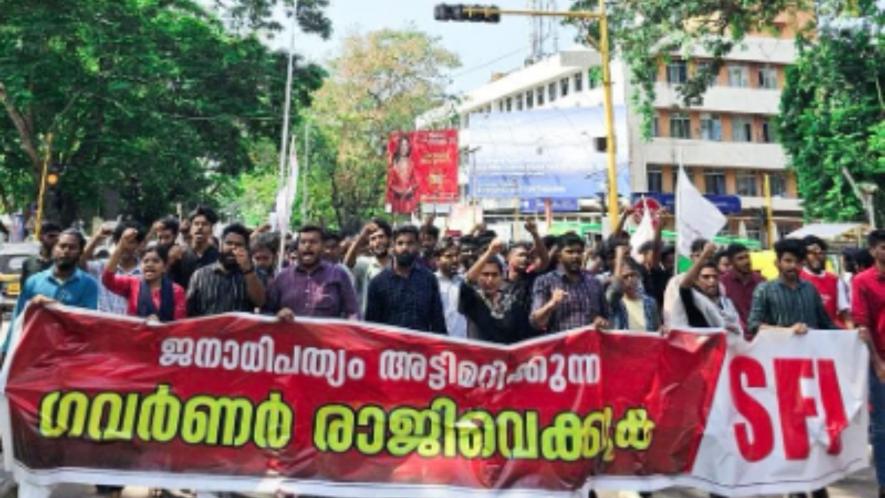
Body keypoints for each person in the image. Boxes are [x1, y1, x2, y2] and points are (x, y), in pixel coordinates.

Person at [747, 238, 834, 498]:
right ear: (777, 262)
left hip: (812, 372)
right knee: (789, 431)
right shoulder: (765, 290)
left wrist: (853, 338)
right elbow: (754, 326)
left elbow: (826, 324)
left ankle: (817, 483)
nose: (792, 266)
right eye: (787, 261)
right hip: (780, 373)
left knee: (816, 427)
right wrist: (786, 332)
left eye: (796, 261)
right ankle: (795, 487)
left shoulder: (810, 290)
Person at [9, 229, 98, 349]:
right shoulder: (33, 282)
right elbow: (18, 318)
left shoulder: (89, 284)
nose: (66, 251)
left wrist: (56, 307)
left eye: (72, 248)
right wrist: (5, 350)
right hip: (35, 352)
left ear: (80, 252)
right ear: (54, 249)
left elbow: (88, 323)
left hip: (71, 354)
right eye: (62, 246)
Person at [852, 230, 885, 498]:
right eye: (884, 247)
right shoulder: (862, 282)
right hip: (880, 363)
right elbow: (862, 324)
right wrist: (877, 363)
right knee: (882, 427)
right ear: (873, 250)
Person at [365, 225, 446, 334]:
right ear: (393, 247)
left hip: (420, 348)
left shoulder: (429, 279)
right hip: (389, 348)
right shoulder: (378, 283)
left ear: (418, 246)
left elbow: (438, 322)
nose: (405, 248)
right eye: (400, 243)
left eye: (410, 243)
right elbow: (371, 326)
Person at [267, 225, 359, 321]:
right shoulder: (282, 277)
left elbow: (353, 312)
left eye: (313, 242)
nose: (307, 246)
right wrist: (279, 315)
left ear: (323, 246)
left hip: (327, 335)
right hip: (290, 335)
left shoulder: (338, 274)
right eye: (303, 242)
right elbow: (267, 314)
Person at [531, 232, 608, 334]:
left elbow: (607, 317)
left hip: (590, 347)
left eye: (579, 252)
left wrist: (602, 322)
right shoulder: (545, 281)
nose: (575, 256)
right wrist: (551, 304)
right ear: (559, 256)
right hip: (560, 348)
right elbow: (536, 322)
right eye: (570, 252)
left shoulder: (594, 282)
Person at [101, 229, 186, 321]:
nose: (149, 265)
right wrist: (121, 245)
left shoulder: (176, 291)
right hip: (135, 334)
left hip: (166, 335)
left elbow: (179, 325)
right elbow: (107, 280)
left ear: (165, 267)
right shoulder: (132, 284)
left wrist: (159, 324)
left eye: (155, 261)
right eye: (145, 261)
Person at [186, 223, 265, 316]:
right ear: (220, 245)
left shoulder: (255, 275)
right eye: (229, 243)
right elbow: (190, 311)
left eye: (239, 245)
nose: (233, 248)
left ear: (246, 249)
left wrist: (248, 271)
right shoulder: (200, 275)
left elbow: (260, 302)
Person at [459, 239, 522, 344]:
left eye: (494, 275)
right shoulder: (472, 299)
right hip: (477, 358)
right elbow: (467, 281)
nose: (490, 280)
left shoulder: (512, 302)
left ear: (502, 277)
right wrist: (490, 252)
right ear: (477, 277)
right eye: (485, 274)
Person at [674, 242, 742, 335]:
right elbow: (684, 286)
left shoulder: (725, 303)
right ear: (696, 281)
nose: (711, 280)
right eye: (706, 277)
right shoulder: (694, 300)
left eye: (715, 277)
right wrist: (704, 254)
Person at [82, 220, 145, 315]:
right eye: (121, 242)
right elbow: (80, 262)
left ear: (139, 244)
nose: (125, 246)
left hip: (131, 327)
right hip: (104, 325)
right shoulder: (102, 266)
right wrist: (96, 238)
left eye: (131, 242)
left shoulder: (146, 272)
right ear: (115, 242)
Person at [801, 235, 850, 328]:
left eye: (820, 253)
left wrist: (851, 333)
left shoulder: (835, 280)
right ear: (804, 256)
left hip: (829, 333)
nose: (817, 257)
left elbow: (845, 312)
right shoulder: (798, 278)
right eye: (812, 253)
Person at [344, 218, 392, 314]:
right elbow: (348, 263)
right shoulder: (365, 264)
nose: (377, 242)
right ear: (369, 244)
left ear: (389, 239)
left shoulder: (397, 264)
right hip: (369, 322)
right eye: (373, 239)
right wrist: (362, 237)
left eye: (381, 237)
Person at [607, 245, 660, 332]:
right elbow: (615, 289)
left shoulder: (650, 303)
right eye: (625, 277)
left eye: (632, 275)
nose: (630, 279)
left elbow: (656, 331)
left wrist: (661, 330)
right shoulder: (615, 303)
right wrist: (619, 257)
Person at [720, 243, 765, 334]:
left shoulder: (761, 281)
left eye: (747, 257)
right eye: (740, 258)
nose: (746, 261)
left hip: (759, 336)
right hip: (735, 336)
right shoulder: (722, 283)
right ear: (731, 262)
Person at [170, 206, 220, 288]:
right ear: (191, 228)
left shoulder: (218, 257)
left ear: (211, 229)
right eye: (196, 224)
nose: (200, 227)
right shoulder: (180, 255)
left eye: (204, 224)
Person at [435, 239, 467, 338]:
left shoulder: (464, 282)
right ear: (437, 259)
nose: (454, 260)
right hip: (438, 343)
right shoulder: (431, 282)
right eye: (448, 256)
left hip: (463, 343)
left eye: (457, 255)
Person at [20, 220, 61, 286]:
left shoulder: (63, 263)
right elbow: (24, 289)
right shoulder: (29, 262)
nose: (55, 239)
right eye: (51, 236)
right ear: (41, 237)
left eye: (58, 237)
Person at [388, 134, 418, 213]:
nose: (404, 147)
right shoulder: (392, 164)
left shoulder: (412, 164)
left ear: (408, 147)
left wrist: (410, 189)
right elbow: (390, 183)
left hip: (408, 201)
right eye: (402, 145)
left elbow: (416, 181)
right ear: (398, 147)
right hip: (396, 200)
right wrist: (399, 191)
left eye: (406, 145)